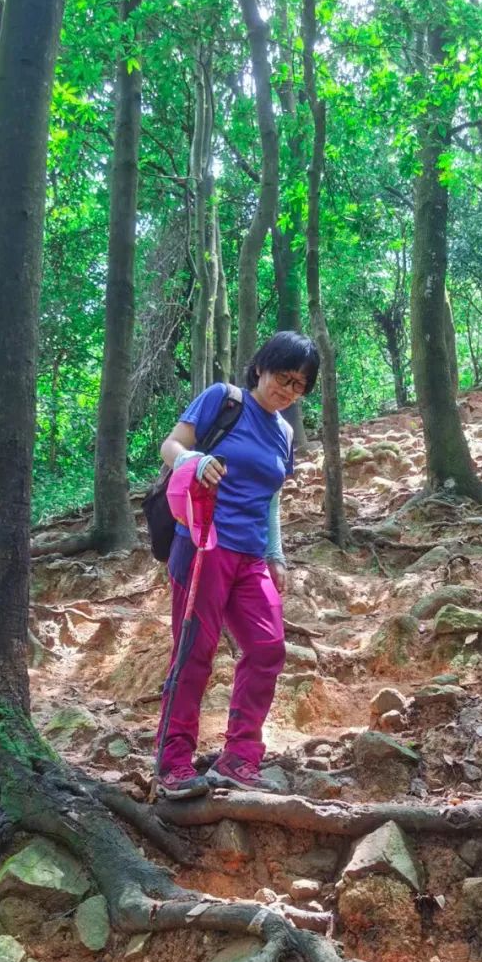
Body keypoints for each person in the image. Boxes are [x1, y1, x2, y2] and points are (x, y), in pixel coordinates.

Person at [155, 331, 319, 799]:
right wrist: (195, 460)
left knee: (268, 649)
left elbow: (270, 499)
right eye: (283, 377)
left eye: (300, 385)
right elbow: (171, 445)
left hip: (250, 555)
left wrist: (275, 554)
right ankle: (172, 764)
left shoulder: (284, 432)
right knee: (194, 652)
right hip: (202, 543)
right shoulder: (223, 400)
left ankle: (239, 758)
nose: (288, 390)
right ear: (261, 367)